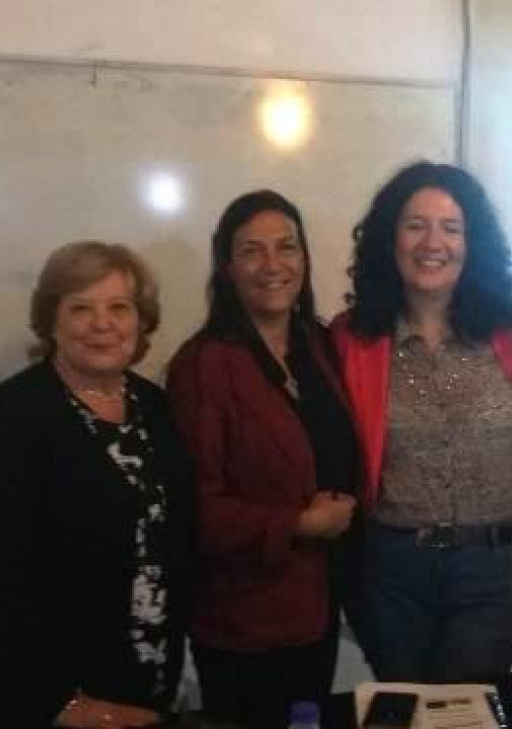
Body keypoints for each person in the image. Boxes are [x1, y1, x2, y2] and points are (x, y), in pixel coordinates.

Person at [331, 162, 512, 683]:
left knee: (464, 711)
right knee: (404, 709)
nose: (433, 242)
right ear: (390, 237)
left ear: (471, 241)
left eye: (451, 228)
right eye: (415, 225)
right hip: (388, 568)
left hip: (492, 568)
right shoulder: (351, 337)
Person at [0, 241, 193, 728]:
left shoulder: (155, 406)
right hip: (49, 699)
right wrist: (59, 702)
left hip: (144, 679)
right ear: (51, 322)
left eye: (119, 307)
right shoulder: (13, 418)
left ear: (141, 321)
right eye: (81, 308)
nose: (102, 324)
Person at [166, 190, 361, 729]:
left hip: (317, 609)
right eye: (252, 251)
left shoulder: (318, 346)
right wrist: (301, 522)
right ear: (227, 267)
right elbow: (196, 510)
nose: (273, 265)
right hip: (242, 622)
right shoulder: (203, 366)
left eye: (287, 247)